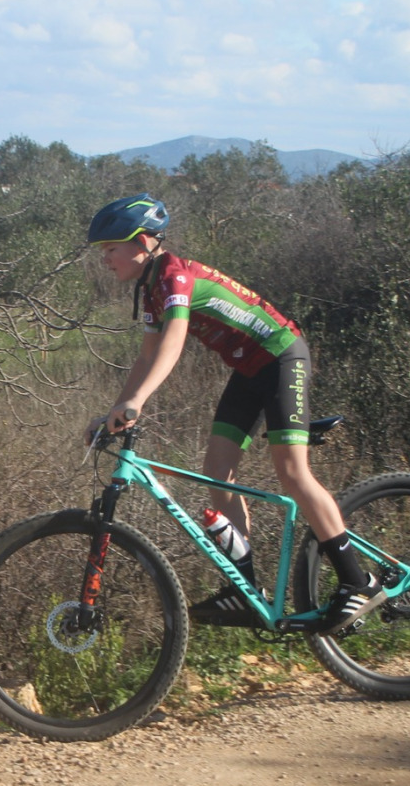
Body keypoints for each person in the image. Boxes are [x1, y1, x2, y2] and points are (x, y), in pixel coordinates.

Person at [82, 193, 383, 633]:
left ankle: (358, 581)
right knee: (217, 472)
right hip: (249, 370)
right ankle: (245, 588)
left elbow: (173, 342)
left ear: (143, 242)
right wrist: (115, 410)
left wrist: (138, 401)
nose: (104, 259)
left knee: (292, 472)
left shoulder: (175, 276)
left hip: (282, 357)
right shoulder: (150, 289)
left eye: (110, 249)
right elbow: (146, 357)